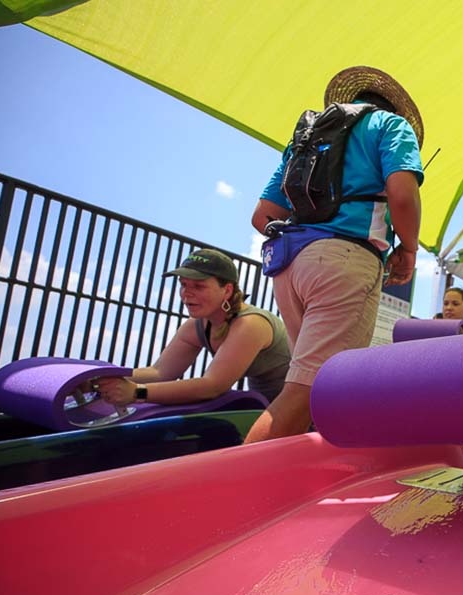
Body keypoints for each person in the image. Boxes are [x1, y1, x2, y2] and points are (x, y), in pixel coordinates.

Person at [245, 66, 424, 443]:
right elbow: (403, 194)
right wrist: (407, 249)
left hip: (289, 265)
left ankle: (295, 485)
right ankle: (229, 492)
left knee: (318, 391)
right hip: (344, 261)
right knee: (306, 393)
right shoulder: (391, 126)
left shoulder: (307, 137)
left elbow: (263, 215)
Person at [95, 248, 290, 406]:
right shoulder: (196, 326)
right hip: (266, 406)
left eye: (198, 286)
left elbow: (212, 386)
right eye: (184, 285)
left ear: (227, 290)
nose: (187, 294)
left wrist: (137, 392)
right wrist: (102, 378)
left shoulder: (251, 324)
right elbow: (160, 372)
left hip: (302, 408)